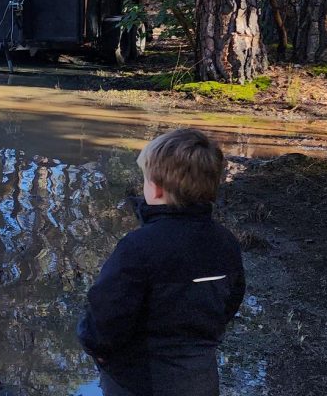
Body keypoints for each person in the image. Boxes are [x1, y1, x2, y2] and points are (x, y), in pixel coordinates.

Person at [77, 128, 245, 396]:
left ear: (155, 190)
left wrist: (97, 349)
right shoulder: (225, 242)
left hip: (139, 380)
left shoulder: (138, 247)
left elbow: (107, 311)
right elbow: (232, 297)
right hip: (199, 373)